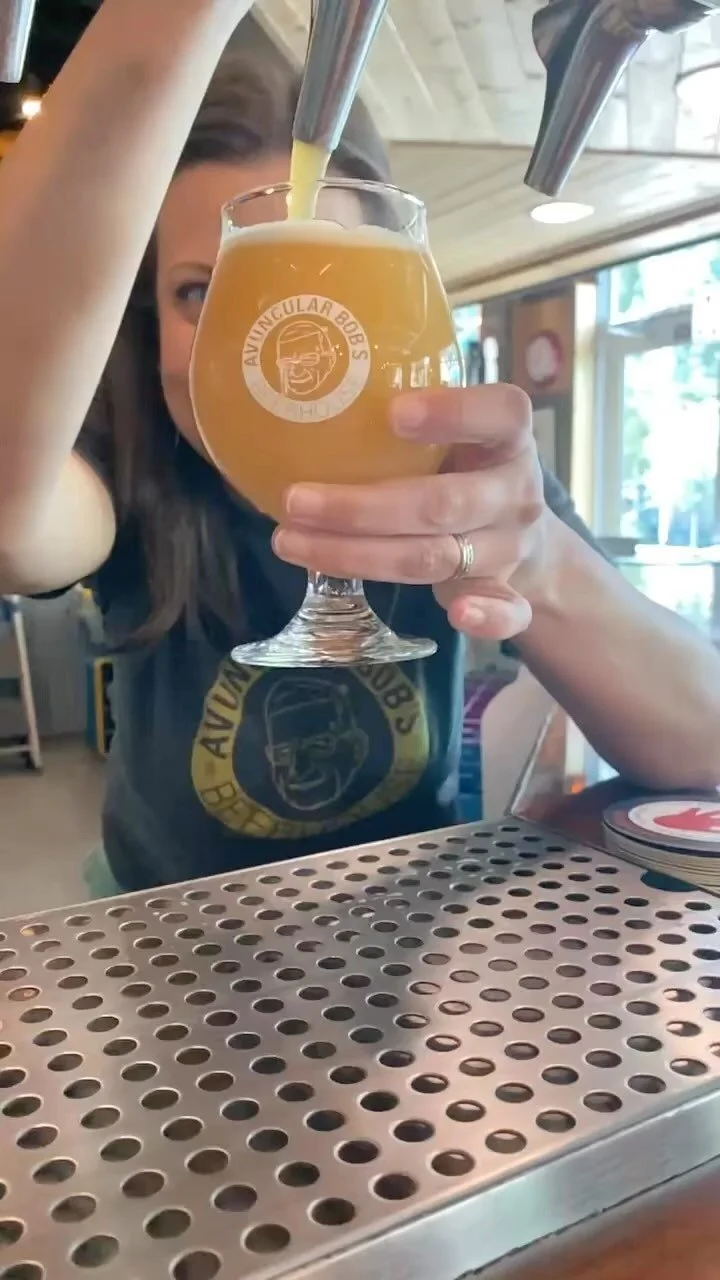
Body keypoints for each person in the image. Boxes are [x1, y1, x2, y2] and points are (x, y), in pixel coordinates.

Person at [0, 0, 718, 895]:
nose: (270, 343)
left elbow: (707, 744)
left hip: (413, 934)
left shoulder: (460, 474)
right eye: (199, 293)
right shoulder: (137, 467)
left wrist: (533, 559)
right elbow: (11, 523)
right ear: (148, 323)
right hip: (175, 945)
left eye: (323, 294)